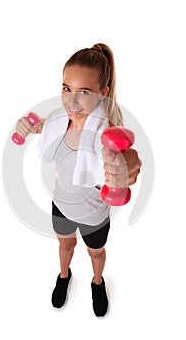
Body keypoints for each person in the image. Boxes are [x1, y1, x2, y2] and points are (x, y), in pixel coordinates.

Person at [15, 43, 141, 317]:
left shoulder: (106, 133)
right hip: (61, 204)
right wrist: (23, 125)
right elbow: (37, 125)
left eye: (83, 92)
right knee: (65, 245)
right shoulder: (59, 120)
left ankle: (98, 282)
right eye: (66, 89)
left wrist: (128, 168)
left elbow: (128, 160)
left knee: (95, 253)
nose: (71, 101)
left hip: (94, 214)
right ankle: (64, 276)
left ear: (103, 94)